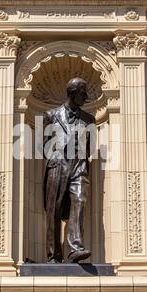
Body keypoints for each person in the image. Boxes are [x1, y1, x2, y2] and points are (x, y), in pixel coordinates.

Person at [43, 78, 96, 263]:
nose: (86, 96)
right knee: (54, 211)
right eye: (83, 93)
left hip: (79, 165)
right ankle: (54, 255)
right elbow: (44, 147)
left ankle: (75, 248)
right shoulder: (51, 115)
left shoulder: (89, 119)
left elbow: (91, 148)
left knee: (79, 202)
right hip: (57, 166)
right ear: (73, 93)